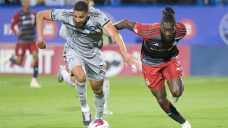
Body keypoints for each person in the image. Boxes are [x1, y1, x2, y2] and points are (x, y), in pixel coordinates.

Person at [36, 0, 137, 127]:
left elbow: (115, 34)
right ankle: (85, 109)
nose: (77, 20)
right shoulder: (66, 14)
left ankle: (98, 119)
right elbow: (40, 14)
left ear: (88, 14)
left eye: (81, 17)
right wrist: (39, 39)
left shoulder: (98, 17)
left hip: (93, 53)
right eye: (75, 16)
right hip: (73, 49)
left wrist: (124, 53)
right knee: (80, 77)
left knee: (98, 90)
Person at [114, 7, 191, 128]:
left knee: (177, 92)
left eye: (170, 30)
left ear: (175, 27)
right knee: (161, 99)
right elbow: (125, 22)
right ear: (160, 26)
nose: (167, 33)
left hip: (169, 60)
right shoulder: (147, 31)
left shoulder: (182, 30)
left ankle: (175, 93)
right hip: (150, 65)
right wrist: (110, 30)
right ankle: (184, 123)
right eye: (164, 30)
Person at [58, 23, 113, 115]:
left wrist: (109, 33)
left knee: (103, 76)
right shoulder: (69, 16)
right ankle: (64, 75)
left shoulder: (94, 15)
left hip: (92, 51)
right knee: (78, 79)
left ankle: (104, 107)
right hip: (77, 51)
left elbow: (104, 28)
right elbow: (62, 33)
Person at [9, 0, 41, 88]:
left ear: (29, 3)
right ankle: (12, 60)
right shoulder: (18, 14)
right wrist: (16, 32)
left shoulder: (33, 14)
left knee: (36, 56)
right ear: (22, 4)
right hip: (22, 41)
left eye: (27, 2)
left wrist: (40, 26)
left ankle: (34, 80)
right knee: (19, 62)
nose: (26, 4)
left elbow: (36, 25)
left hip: (31, 41)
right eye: (25, 2)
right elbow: (12, 25)